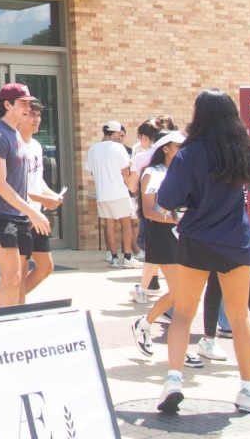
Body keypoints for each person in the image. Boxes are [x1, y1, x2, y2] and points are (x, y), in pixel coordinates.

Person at [155, 89, 250, 415]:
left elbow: (166, 199)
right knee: (239, 315)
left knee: (185, 313)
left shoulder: (190, 153)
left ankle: (174, 379)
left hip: (197, 238)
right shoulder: (242, 149)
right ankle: (247, 390)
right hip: (236, 240)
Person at [130, 131, 203, 369]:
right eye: (177, 146)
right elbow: (149, 211)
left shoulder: (183, 173)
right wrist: (175, 219)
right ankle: (182, 348)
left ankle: (145, 322)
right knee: (182, 293)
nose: (182, 150)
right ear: (165, 148)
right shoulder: (152, 173)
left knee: (182, 293)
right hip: (162, 236)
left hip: (183, 235)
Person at [0, 83, 51, 307]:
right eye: (22, 103)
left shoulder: (17, 136)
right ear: (7, 104)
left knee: (19, 277)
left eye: (29, 103)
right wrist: (34, 213)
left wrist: (41, 200)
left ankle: (17, 322)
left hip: (18, 215)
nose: (27, 107)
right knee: (11, 276)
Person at [22, 102, 63, 297]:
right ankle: (12, 307)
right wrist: (42, 199)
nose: (36, 119)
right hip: (20, 217)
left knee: (46, 267)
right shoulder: (14, 145)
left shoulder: (37, 146)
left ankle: (14, 300)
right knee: (17, 273)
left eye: (38, 115)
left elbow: (37, 181)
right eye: (31, 114)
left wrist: (50, 195)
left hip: (38, 216)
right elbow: (12, 188)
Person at [86, 120, 139, 268]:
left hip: (102, 194)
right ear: (115, 133)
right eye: (119, 134)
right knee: (126, 223)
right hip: (119, 192)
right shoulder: (118, 148)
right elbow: (125, 171)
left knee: (109, 223)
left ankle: (114, 257)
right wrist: (131, 186)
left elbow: (90, 170)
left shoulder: (93, 149)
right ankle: (128, 257)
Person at [130, 119, 164, 303]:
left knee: (152, 249)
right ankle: (150, 284)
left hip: (149, 209)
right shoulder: (172, 153)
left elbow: (132, 186)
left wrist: (126, 174)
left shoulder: (141, 158)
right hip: (171, 209)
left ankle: (146, 286)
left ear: (144, 137)